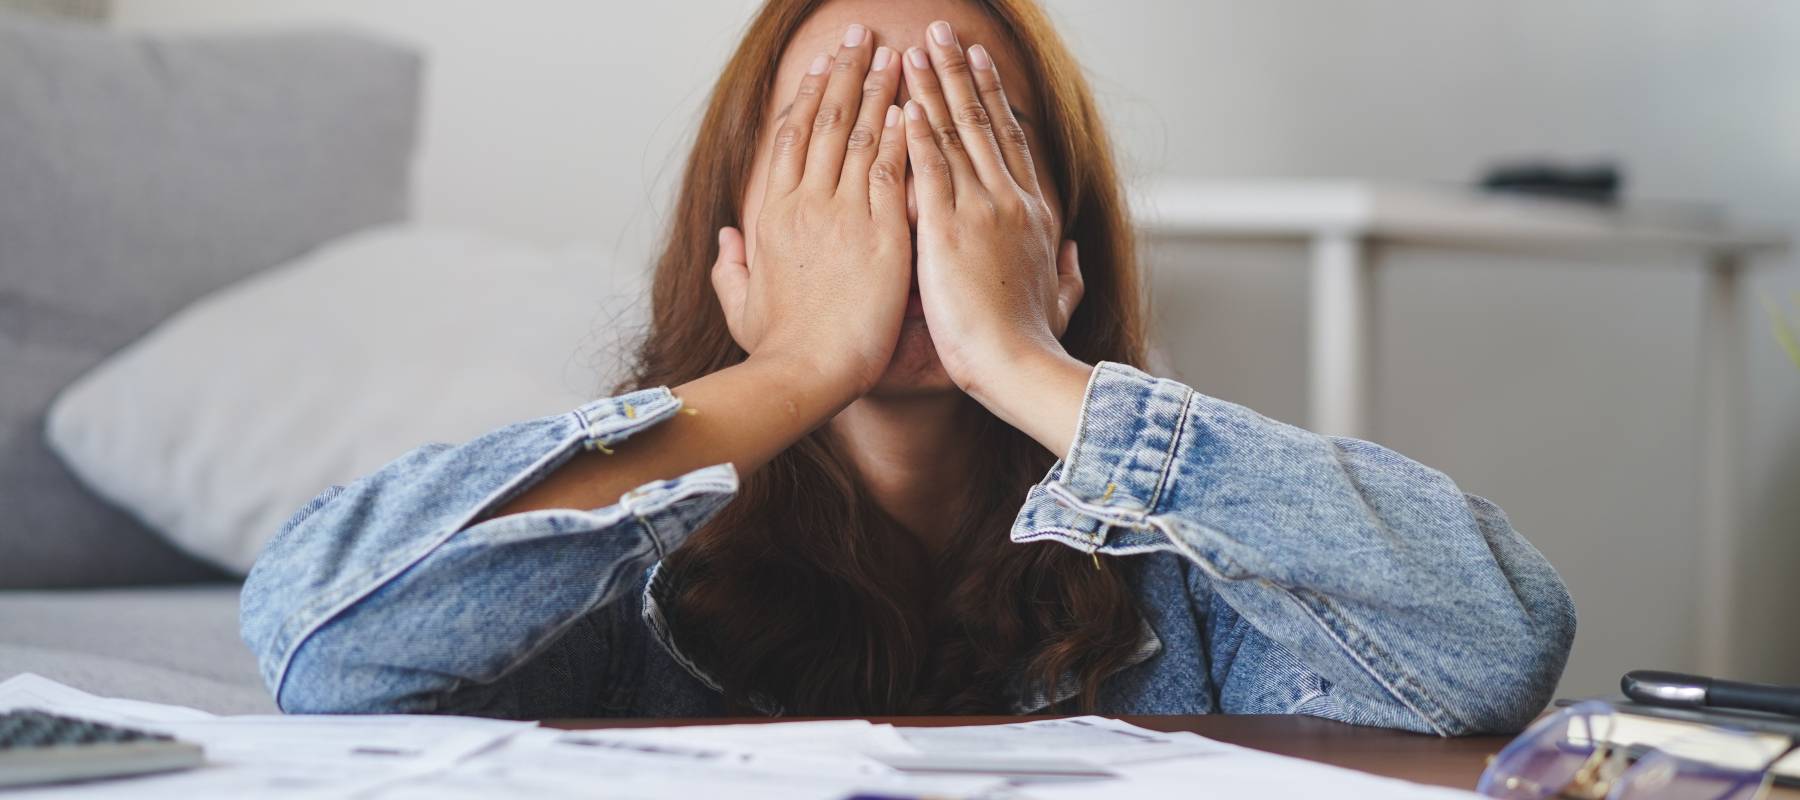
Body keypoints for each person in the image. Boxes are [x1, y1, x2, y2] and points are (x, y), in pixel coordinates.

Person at [240, 0, 1576, 735]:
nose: (902, 200)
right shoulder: (613, 561)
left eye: (957, 141)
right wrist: (798, 364)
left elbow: (1498, 647)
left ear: (1061, 257)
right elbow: (323, 647)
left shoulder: (1201, 569)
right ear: (734, 262)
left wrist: (1018, 359)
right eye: (837, 148)